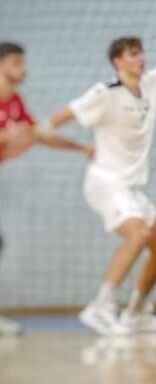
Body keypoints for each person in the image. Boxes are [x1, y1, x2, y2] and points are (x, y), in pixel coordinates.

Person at [43, 0, 156, 335]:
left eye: (140, 51)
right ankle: (100, 306)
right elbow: (60, 118)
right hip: (106, 182)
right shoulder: (104, 93)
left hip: (130, 185)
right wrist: (55, 140)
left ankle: (136, 312)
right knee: (137, 234)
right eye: (132, 54)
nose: (140, 58)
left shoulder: (150, 84)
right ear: (117, 62)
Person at [0, 42, 93, 335]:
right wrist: (7, 136)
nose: (22, 69)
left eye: (22, 62)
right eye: (15, 62)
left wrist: (80, 148)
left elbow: (39, 135)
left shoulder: (14, 101)